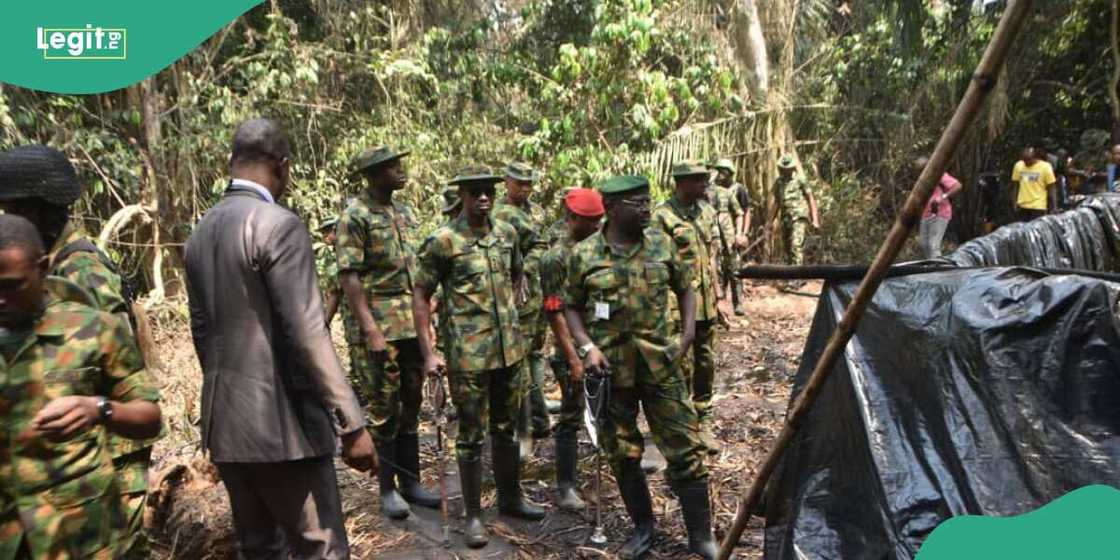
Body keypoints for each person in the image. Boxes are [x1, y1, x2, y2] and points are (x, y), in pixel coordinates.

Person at [184, 118, 376, 559]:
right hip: (284, 432)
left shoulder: (199, 234)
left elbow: (202, 335)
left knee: (260, 549)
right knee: (320, 548)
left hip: (226, 428)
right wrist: (352, 424)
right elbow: (309, 331)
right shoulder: (279, 224)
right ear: (283, 167)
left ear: (231, 163)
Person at [0, 144, 155, 557]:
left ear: (38, 211)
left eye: (11, 209)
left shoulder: (80, 269)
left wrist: (98, 412)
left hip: (107, 459)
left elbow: (114, 363)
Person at [564, 174, 717, 560]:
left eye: (649, 200)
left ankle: (701, 537)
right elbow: (571, 305)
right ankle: (644, 528)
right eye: (638, 203)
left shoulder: (663, 244)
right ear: (613, 210)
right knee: (623, 452)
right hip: (612, 371)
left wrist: (685, 337)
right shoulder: (584, 255)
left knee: (686, 449)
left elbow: (686, 288)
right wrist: (586, 347)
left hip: (661, 365)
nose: (648, 208)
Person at [412, 168, 546, 549]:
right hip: (469, 357)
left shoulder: (506, 234)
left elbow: (518, 272)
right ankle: (473, 516)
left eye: (488, 192)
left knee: (506, 428)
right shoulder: (443, 241)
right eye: (475, 193)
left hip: (510, 353)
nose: (484, 198)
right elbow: (421, 294)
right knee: (470, 437)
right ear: (462, 196)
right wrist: (428, 352)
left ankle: (511, 498)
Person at [335, 147, 440, 520]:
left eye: (400, 165)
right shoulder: (355, 217)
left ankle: (412, 483)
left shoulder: (404, 213)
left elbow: (416, 271)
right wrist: (370, 330)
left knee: (411, 404)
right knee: (384, 408)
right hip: (379, 326)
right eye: (393, 167)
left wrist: (428, 313)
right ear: (375, 174)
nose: (401, 171)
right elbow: (349, 276)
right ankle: (387, 489)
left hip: (410, 323)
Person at [539, 188, 604, 511]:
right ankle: (565, 485)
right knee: (571, 413)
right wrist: (572, 357)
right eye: (591, 221)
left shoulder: (596, 248)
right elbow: (554, 310)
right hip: (570, 349)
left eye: (599, 220)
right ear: (573, 218)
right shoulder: (556, 258)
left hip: (597, 341)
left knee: (603, 409)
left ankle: (605, 470)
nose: (597, 225)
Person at [653, 161, 722, 456]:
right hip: (677, 306)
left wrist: (718, 295)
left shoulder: (706, 211)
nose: (704, 185)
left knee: (706, 362)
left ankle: (704, 419)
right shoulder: (662, 217)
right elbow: (655, 266)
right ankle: (684, 426)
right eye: (697, 180)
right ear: (681, 183)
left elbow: (711, 255)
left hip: (706, 303)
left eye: (705, 180)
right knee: (681, 366)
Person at [492, 162, 552, 457]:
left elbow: (542, 246)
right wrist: (520, 275)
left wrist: (528, 271)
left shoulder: (534, 211)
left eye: (529, 183)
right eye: (520, 183)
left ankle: (538, 420)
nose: (525, 188)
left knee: (534, 356)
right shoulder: (499, 213)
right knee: (521, 362)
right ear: (507, 182)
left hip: (535, 295)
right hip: (516, 298)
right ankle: (527, 427)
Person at [711, 158, 749, 315]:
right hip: (714, 237)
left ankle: (738, 304)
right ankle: (718, 306)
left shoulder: (735, 190)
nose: (720, 174)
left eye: (723, 171)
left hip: (730, 236)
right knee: (717, 270)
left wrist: (741, 234)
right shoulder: (708, 192)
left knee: (735, 270)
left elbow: (743, 212)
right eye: (718, 170)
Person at [914, 156, 963, 259]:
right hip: (925, 214)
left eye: (923, 169)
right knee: (924, 244)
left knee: (933, 246)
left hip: (940, 213)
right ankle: (931, 267)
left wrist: (942, 197)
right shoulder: (921, 180)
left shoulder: (939, 175)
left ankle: (937, 270)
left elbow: (957, 185)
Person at [775, 155, 820, 266]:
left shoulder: (800, 180)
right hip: (785, 218)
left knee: (796, 245)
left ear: (792, 168)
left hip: (799, 217)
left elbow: (810, 198)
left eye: (788, 169)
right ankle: (793, 275)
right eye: (783, 169)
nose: (785, 171)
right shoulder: (779, 182)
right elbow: (776, 202)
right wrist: (770, 221)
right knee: (788, 248)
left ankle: (797, 279)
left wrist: (815, 220)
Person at [1011, 147, 1056, 222]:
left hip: (1038, 206)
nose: (1026, 163)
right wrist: (1014, 201)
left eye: (1028, 160)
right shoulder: (1018, 166)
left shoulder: (1045, 167)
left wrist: (1054, 207)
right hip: (1022, 205)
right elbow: (1015, 185)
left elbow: (1051, 188)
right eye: (1024, 160)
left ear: (1035, 158)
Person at [317, 216, 342, 326]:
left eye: (327, 231)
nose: (324, 236)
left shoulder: (347, 253)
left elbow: (335, 293)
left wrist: (326, 322)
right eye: (323, 233)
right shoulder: (333, 255)